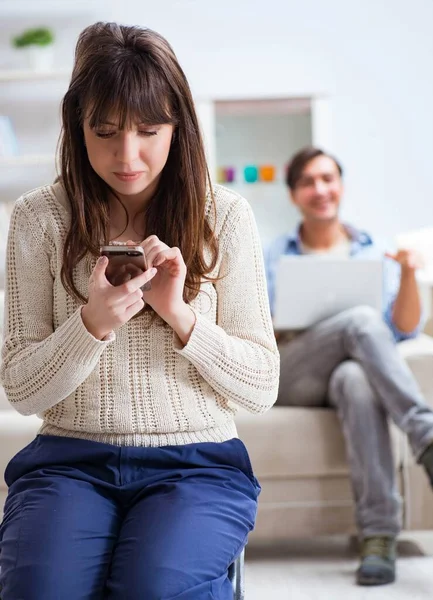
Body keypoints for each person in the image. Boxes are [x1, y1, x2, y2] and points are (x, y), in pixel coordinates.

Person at [0, 22, 279, 599]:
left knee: (154, 588)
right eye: (104, 132)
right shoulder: (38, 220)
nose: (127, 156)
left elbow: (262, 386)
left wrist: (181, 315)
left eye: (149, 130)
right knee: (37, 588)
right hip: (69, 460)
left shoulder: (224, 217)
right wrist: (91, 325)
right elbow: (22, 390)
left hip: (198, 464)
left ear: (179, 127)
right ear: (77, 130)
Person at [265, 146, 433, 586]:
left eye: (328, 179)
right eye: (308, 182)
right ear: (294, 195)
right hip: (295, 371)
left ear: (340, 185)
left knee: (357, 378)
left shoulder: (372, 250)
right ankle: (427, 436)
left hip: (346, 374)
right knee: (359, 320)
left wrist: (411, 275)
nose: (320, 190)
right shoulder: (272, 255)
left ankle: (378, 537)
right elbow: (254, 329)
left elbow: (404, 328)